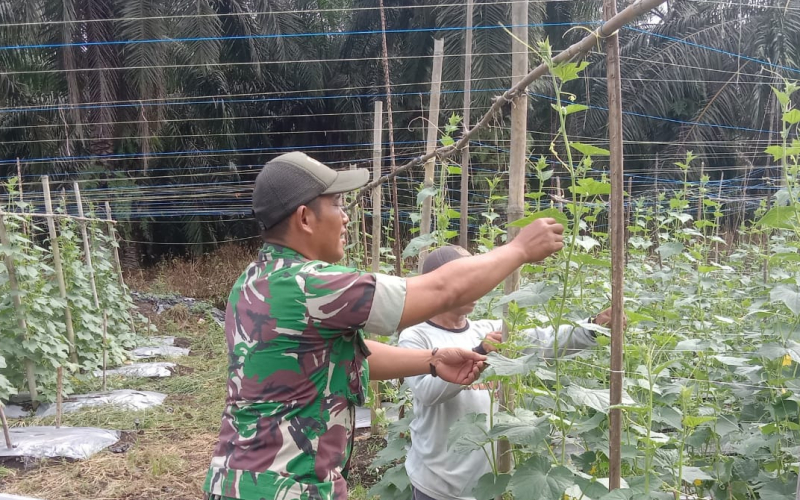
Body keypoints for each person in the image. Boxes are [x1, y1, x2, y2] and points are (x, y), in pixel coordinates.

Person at [203, 152, 566, 500]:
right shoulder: (312, 284)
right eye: (337, 204)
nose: (346, 217)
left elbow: (343, 357)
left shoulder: (252, 282)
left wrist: (432, 360)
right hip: (289, 486)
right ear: (304, 218)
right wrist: (519, 249)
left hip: (236, 478)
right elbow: (441, 289)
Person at [398, 245, 623, 500]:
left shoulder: (489, 328)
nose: (479, 286)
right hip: (438, 485)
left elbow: (543, 341)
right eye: (468, 279)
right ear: (442, 283)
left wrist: (592, 327)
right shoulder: (416, 337)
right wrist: (480, 352)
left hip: (490, 480)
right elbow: (427, 393)